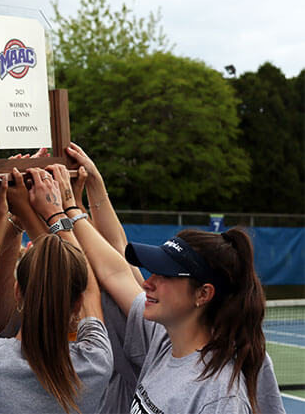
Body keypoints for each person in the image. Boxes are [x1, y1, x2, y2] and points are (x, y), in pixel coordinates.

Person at [62, 143, 285, 413]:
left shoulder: (221, 400)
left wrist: (63, 213)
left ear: (203, 294)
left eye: (165, 275)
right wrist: (89, 191)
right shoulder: (165, 339)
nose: (147, 282)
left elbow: (113, 270)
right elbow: (116, 267)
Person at [0, 167, 121, 413]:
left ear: (18, 292)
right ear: (77, 303)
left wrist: (5, 220)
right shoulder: (96, 362)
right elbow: (91, 290)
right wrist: (55, 214)